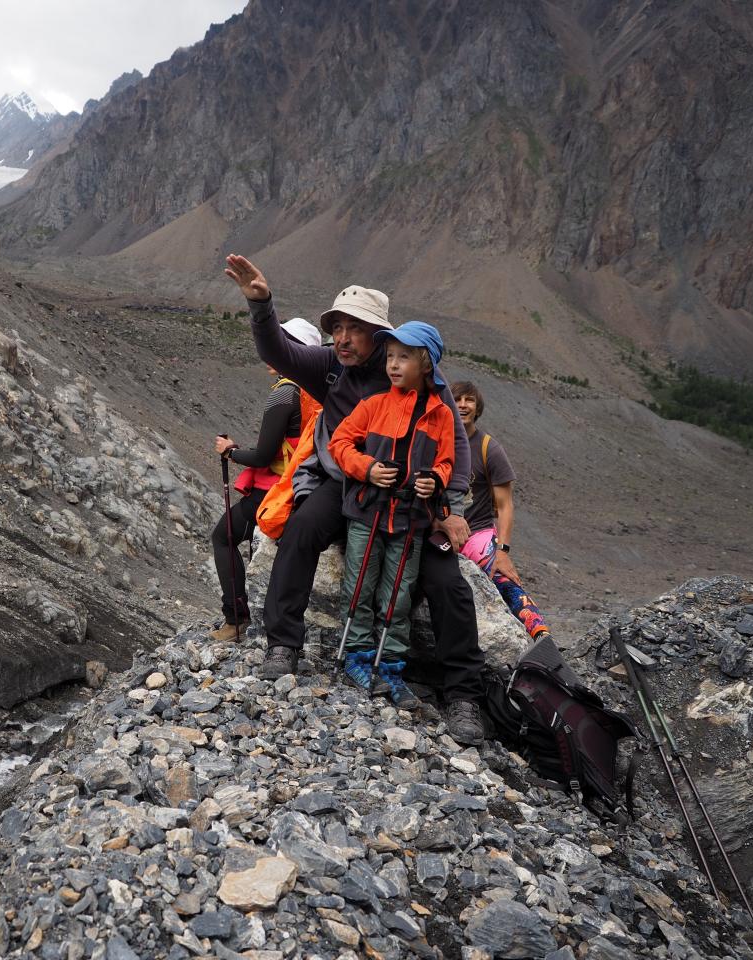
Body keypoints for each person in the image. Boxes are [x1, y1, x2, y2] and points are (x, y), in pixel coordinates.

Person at [223, 254, 487, 746]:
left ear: (381, 336)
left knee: (446, 581)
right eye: (336, 327)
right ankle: (283, 644)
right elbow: (280, 352)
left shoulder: (420, 382)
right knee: (301, 531)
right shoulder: (328, 367)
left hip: (408, 498)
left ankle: (463, 695)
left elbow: (457, 447)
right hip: (345, 485)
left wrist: (447, 510)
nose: (341, 338)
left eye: (353, 329)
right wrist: (262, 305)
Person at [329, 322, 454, 708]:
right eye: (390, 358)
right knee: (360, 585)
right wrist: (367, 469)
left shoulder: (442, 416)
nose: (393, 365)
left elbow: (446, 462)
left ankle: (390, 668)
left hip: (410, 518)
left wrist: (435, 480)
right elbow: (340, 443)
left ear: (426, 363)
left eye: (403, 357)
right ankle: (357, 658)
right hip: (369, 512)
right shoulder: (374, 405)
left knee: (399, 595)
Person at [209, 317, 322, 641]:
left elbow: (262, 456)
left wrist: (230, 451)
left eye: (281, 344)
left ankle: (235, 620)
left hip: (277, 489)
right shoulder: (317, 389)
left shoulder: (284, 394)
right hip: (310, 485)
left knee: (223, 537)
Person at [452, 380, 551, 642]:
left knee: (504, 577)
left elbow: (505, 506)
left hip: (478, 534)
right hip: (443, 531)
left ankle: (540, 635)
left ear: (478, 407)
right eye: (457, 399)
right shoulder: (435, 442)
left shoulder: (489, 449)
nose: (462, 405)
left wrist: (503, 551)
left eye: (469, 400)